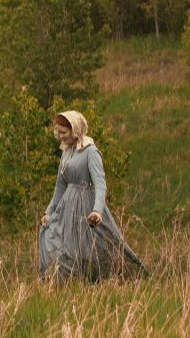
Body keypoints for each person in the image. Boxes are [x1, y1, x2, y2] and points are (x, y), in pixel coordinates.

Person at [38, 110, 145, 281]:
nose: (60, 136)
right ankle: (67, 282)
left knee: (95, 246)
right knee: (59, 240)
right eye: (58, 132)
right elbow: (60, 186)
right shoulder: (66, 152)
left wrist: (97, 210)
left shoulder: (90, 151)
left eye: (64, 132)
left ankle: (121, 277)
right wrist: (49, 211)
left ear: (75, 129)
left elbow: (100, 184)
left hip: (85, 205)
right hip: (67, 207)